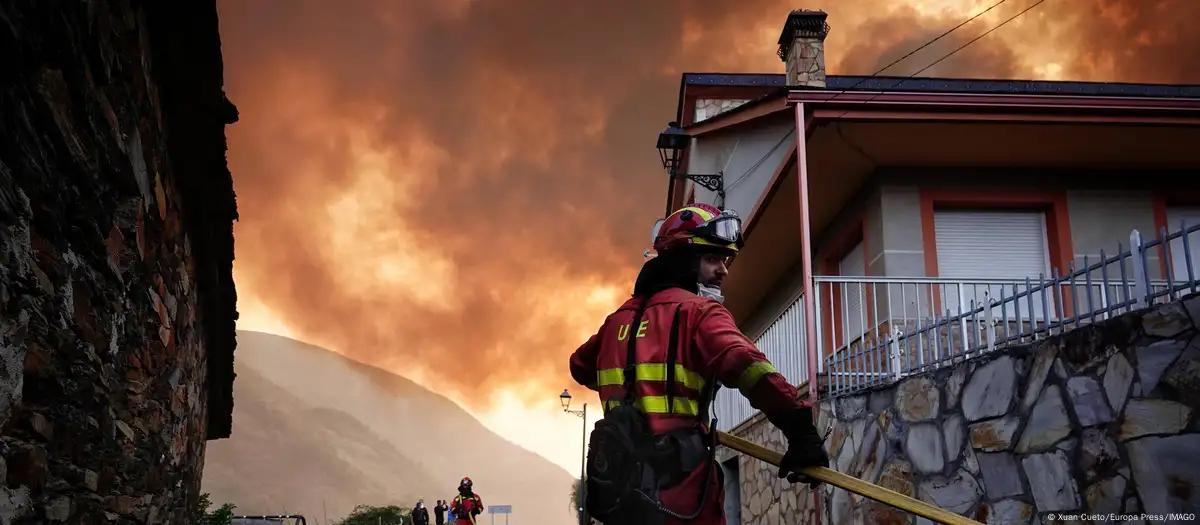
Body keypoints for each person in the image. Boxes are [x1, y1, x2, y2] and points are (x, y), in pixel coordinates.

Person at [569, 204, 829, 525]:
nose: (724, 270)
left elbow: (580, 367)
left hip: (619, 494)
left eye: (725, 259)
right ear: (682, 261)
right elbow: (749, 367)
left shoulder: (615, 321)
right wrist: (802, 434)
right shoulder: (699, 312)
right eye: (712, 259)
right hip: (680, 493)